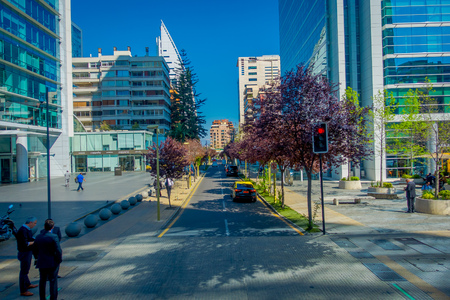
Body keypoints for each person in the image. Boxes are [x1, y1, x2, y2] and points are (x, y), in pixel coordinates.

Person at [33, 219, 62, 300]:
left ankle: (42, 298)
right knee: (53, 281)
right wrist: (59, 260)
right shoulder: (53, 236)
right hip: (52, 262)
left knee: (42, 281)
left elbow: (34, 249)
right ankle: (53, 298)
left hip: (41, 262)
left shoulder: (38, 237)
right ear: (52, 227)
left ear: (44, 227)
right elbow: (58, 250)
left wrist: (37, 258)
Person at [16, 217, 38, 297]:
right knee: (24, 271)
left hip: (27, 252)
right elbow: (25, 243)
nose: (35, 225)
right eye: (35, 223)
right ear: (30, 222)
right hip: (24, 253)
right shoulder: (23, 230)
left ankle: (28, 284)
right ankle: (23, 290)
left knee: (26, 270)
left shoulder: (26, 229)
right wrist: (34, 242)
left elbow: (30, 238)